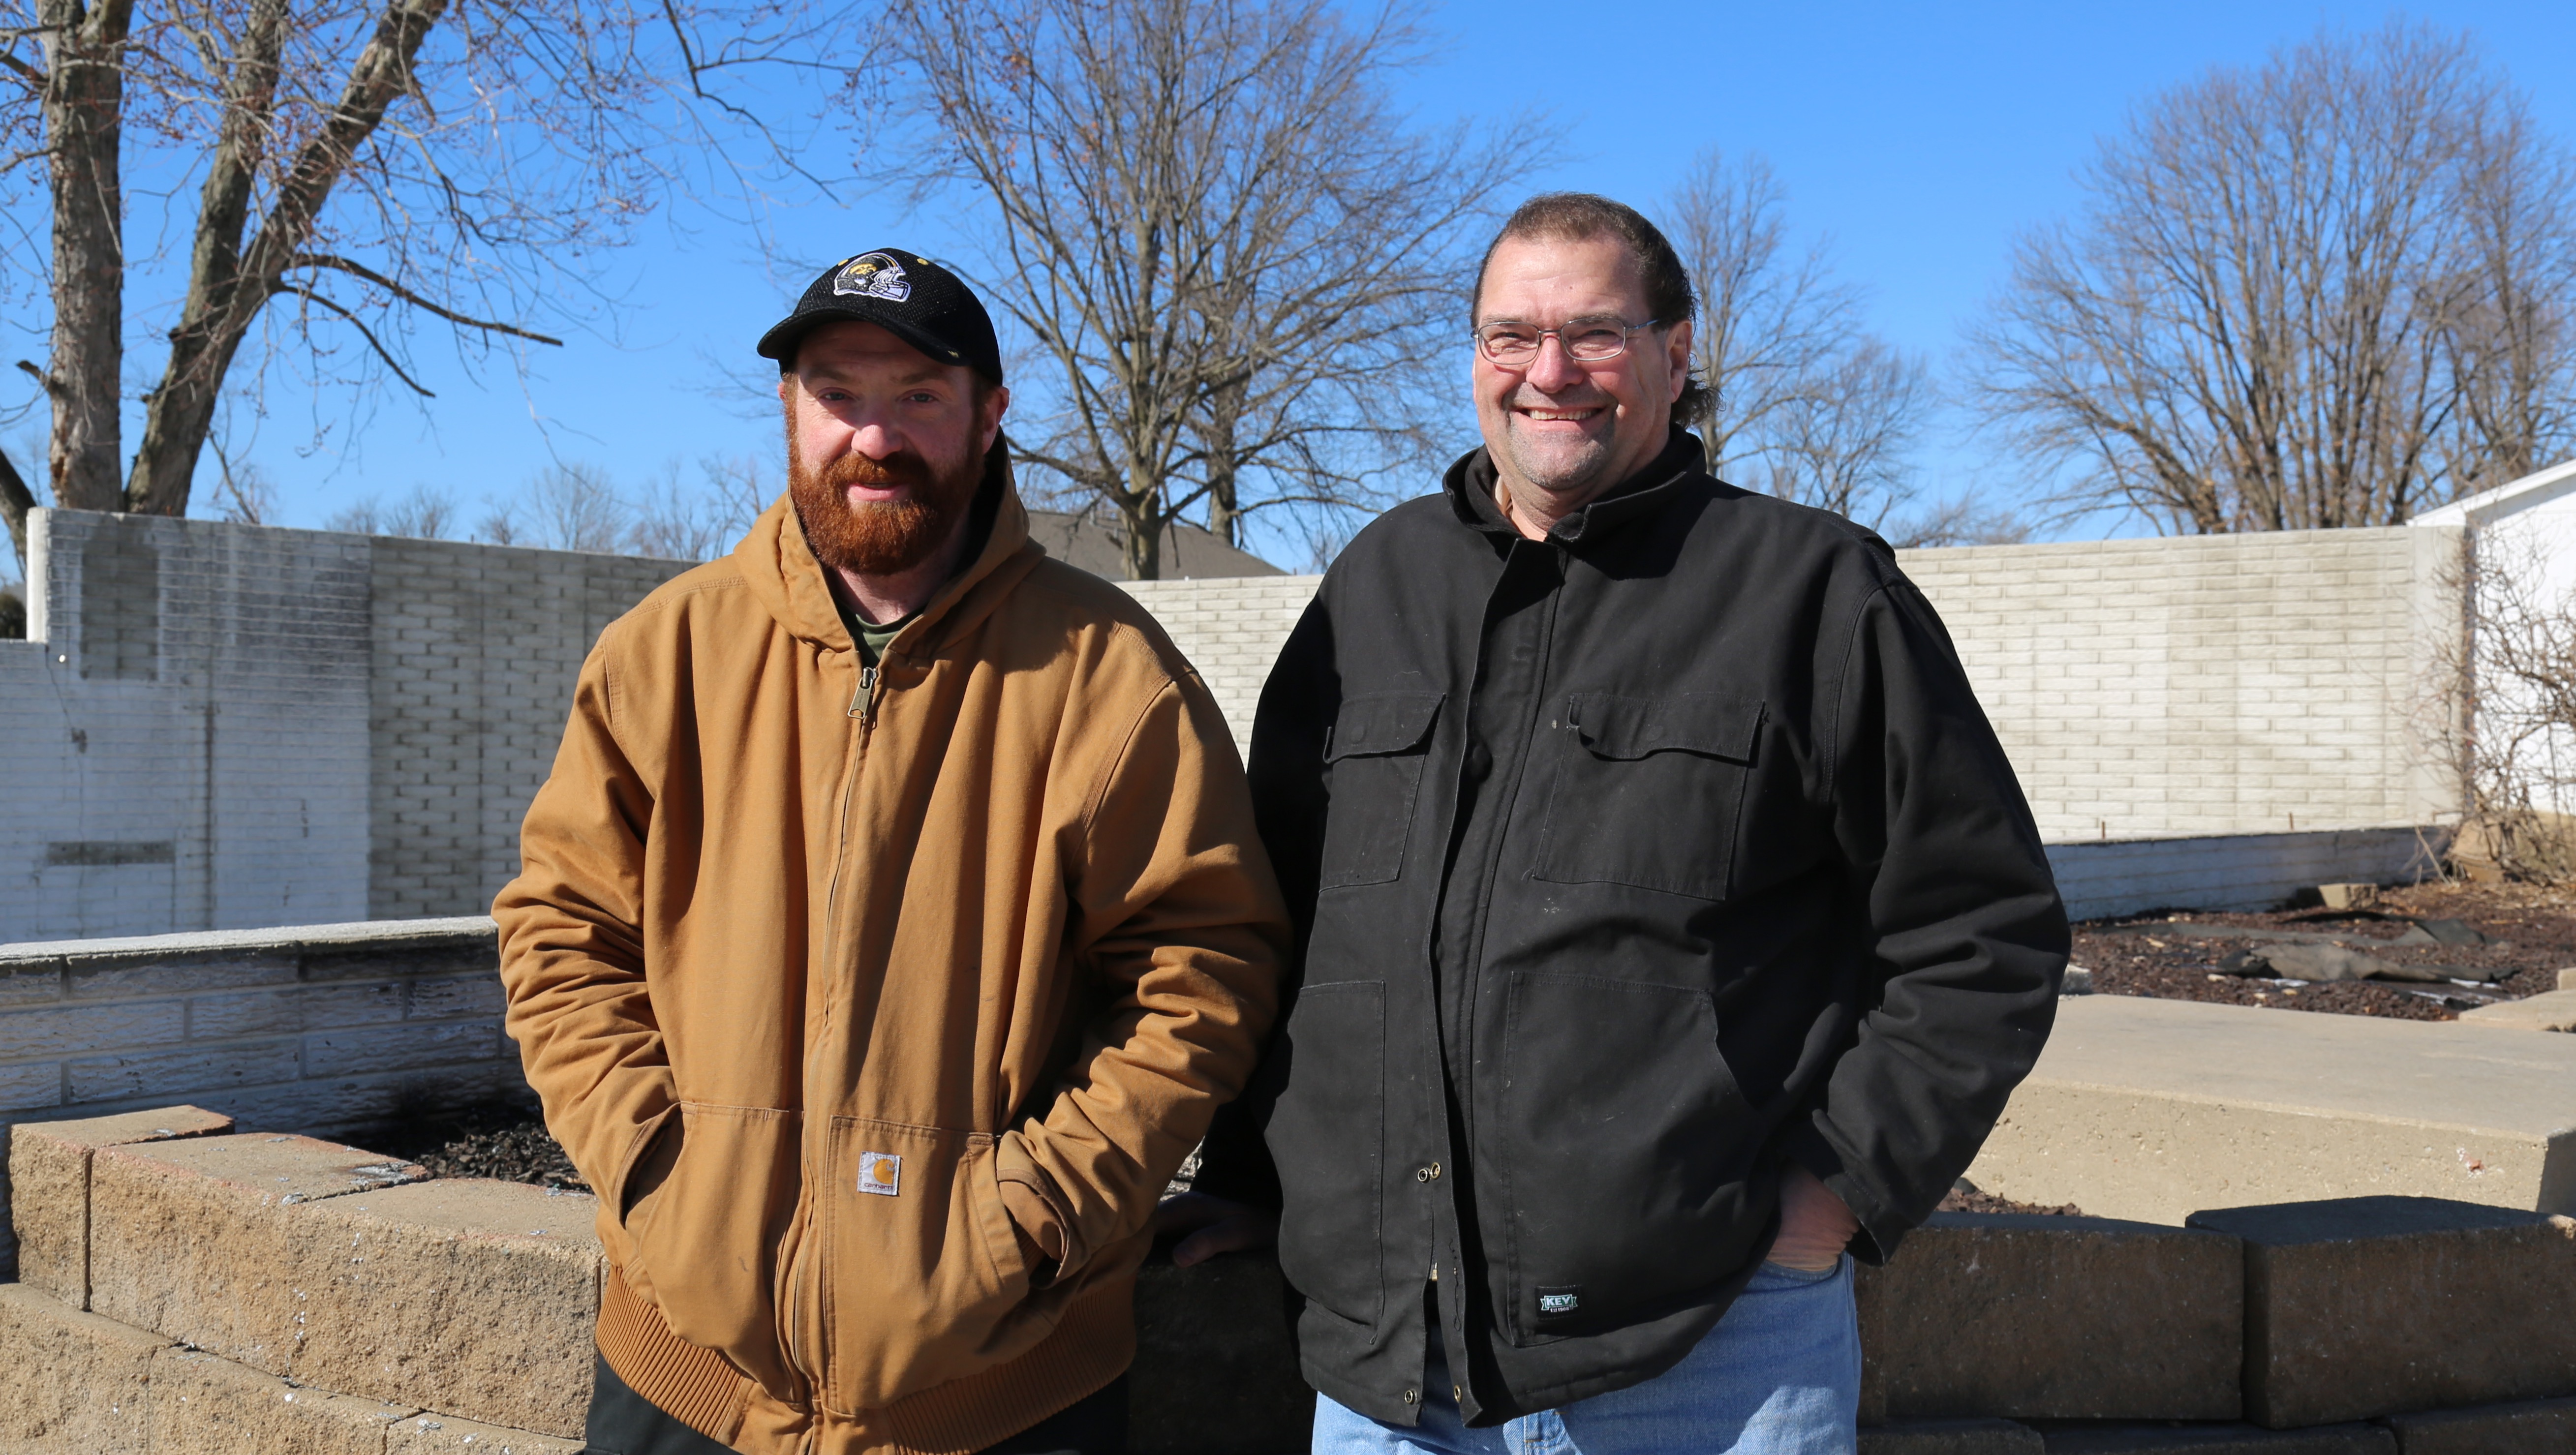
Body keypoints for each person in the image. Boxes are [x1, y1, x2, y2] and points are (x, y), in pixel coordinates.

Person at [1163, 195, 2070, 1454]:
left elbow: (1981, 928)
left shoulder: (1810, 591)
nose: (1548, 373)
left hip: (1712, 1354)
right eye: (1510, 336)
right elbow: (1295, 919)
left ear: (1674, 353)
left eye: (1593, 333)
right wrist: (1254, 1184)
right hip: (1392, 1370)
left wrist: (1836, 1191)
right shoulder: (1377, 587)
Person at [495, 248, 1288, 1455]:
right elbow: (561, 933)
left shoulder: (1108, 673)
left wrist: (1033, 1214)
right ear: (788, 408)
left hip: (1005, 1386)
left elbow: (1201, 971)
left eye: (918, 395)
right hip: (682, 1378)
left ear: (989, 414)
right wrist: (655, 1171)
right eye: (837, 394)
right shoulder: (664, 654)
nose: (873, 437)